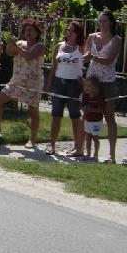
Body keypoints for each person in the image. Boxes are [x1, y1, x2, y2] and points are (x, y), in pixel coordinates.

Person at [0, 18, 46, 148]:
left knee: (33, 111)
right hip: (16, 82)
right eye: (26, 30)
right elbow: (9, 53)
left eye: (31, 30)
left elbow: (29, 56)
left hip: (32, 84)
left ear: (37, 32)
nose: (28, 32)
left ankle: (32, 139)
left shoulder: (40, 46)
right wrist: (11, 44)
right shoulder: (20, 43)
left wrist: (16, 46)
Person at [84, 11, 122, 164]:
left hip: (107, 81)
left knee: (109, 117)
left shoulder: (116, 39)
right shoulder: (92, 37)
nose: (102, 24)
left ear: (111, 22)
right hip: (92, 80)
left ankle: (111, 155)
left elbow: (109, 60)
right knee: (87, 113)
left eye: (105, 21)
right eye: (100, 21)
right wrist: (86, 56)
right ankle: (85, 150)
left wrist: (92, 57)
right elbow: (86, 52)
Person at [44, 21, 85, 156]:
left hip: (74, 85)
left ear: (78, 33)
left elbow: (87, 63)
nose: (69, 33)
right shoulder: (59, 46)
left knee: (74, 115)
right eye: (68, 30)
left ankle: (77, 146)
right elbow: (53, 68)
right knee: (56, 114)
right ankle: (52, 145)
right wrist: (49, 85)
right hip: (58, 83)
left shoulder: (81, 48)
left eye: (72, 31)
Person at [81, 76, 106, 162]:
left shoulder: (99, 97)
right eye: (85, 86)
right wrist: (84, 108)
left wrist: (91, 109)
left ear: (95, 87)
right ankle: (88, 154)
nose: (86, 88)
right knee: (88, 137)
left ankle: (95, 155)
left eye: (89, 86)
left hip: (96, 121)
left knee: (95, 138)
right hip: (87, 120)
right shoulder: (85, 96)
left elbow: (100, 110)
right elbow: (83, 106)